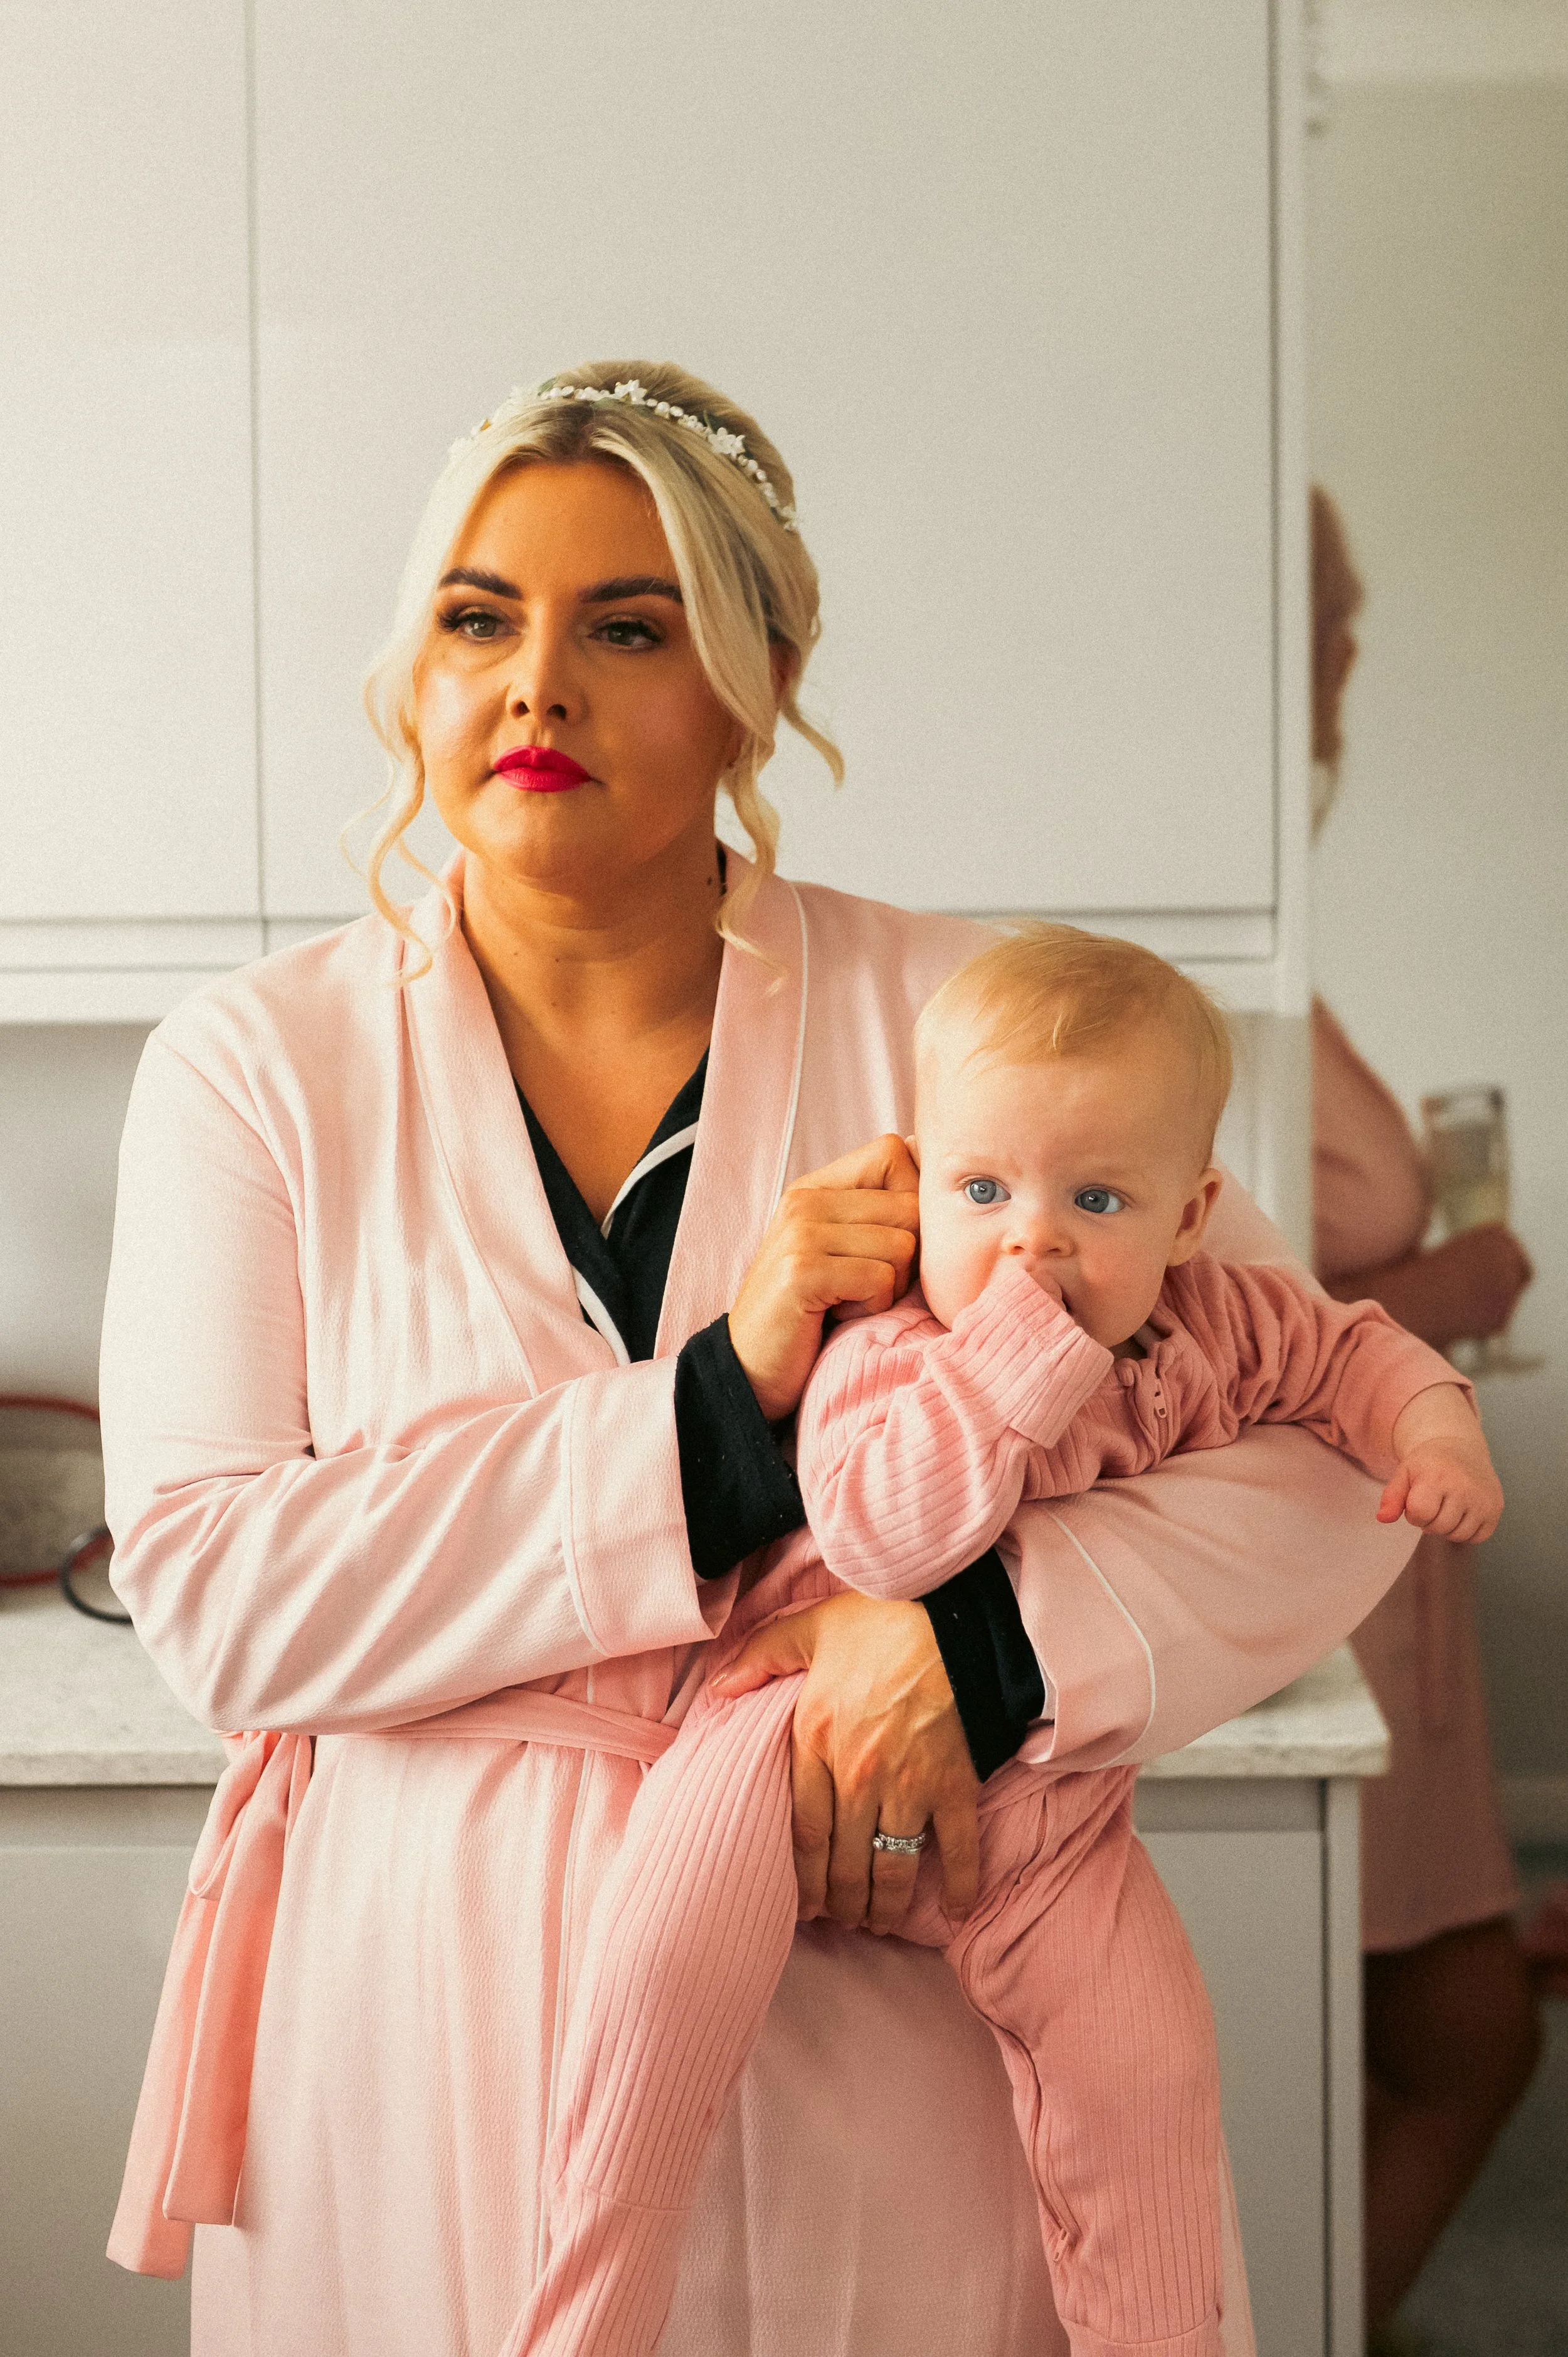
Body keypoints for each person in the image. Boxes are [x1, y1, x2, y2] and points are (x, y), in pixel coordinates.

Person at [94, 365, 1414, 2357]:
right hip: (413, 2010)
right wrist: (714, 1427)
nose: (535, 687)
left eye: (625, 626)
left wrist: (967, 1646)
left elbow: (1322, 1443)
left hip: (883, 1998)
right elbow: (216, 1586)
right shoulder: (255, 1069)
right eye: (478, 619)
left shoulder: (965, 1019)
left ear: (757, 678)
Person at [514, 925, 1500, 2357]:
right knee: (650, 1995)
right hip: (776, 1752)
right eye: (982, 1188)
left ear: (1188, 1214)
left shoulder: (1214, 1323)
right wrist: (1022, 1355)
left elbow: (1352, 1352)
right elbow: (884, 1539)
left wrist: (1430, 1429)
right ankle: (587, 2314)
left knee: (1147, 2078)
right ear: (923, 1179)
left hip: (1048, 1821)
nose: (1029, 1238)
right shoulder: (892, 1340)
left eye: (1093, 1196)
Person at [1309, 486, 1542, 2334]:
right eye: (1330, 613)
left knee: (1455, 2027)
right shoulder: (1186, 946)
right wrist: (1449, 1294)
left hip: (1395, 1590)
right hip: (1333, 1599)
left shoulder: (1272, 929)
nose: (1351, 649)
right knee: (1457, 2031)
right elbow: (1172, 1320)